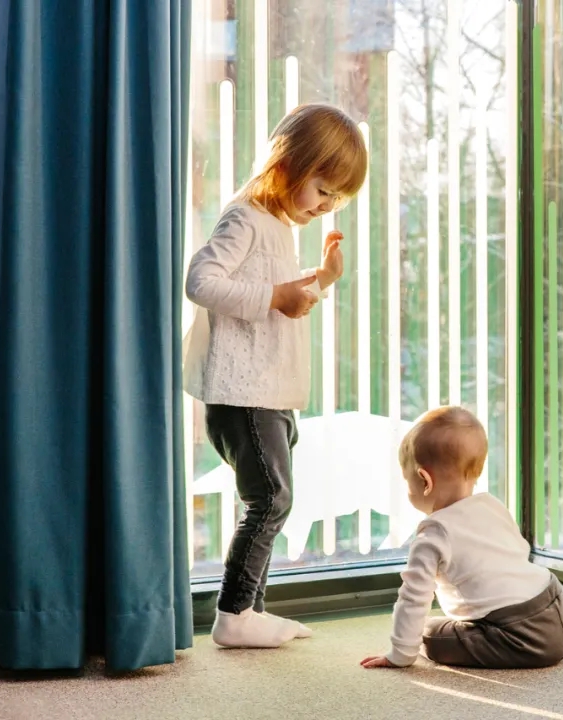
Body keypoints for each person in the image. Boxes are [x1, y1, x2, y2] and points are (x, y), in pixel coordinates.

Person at [183, 103, 367, 649]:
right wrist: (276, 295)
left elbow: (281, 299)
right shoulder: (245, 218)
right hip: (243, 393)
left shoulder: (278, 226)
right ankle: (236, 612)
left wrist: (320, 280)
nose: (327, 205)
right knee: (271, 498)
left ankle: (251, 611)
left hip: (269, 391)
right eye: (323, 190)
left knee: (272, 498)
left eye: (337, 199)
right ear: (286, 166)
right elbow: (201, 282)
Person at [361, 407, 563, 669]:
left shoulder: (434, 533)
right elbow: (518, 552)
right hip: (561, 608)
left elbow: (414, 598)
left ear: (424, 480)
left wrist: (400, 653)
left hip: (522, 637)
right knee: (443, 626)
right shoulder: (492, 505)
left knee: (427, 634)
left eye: (406, 480)